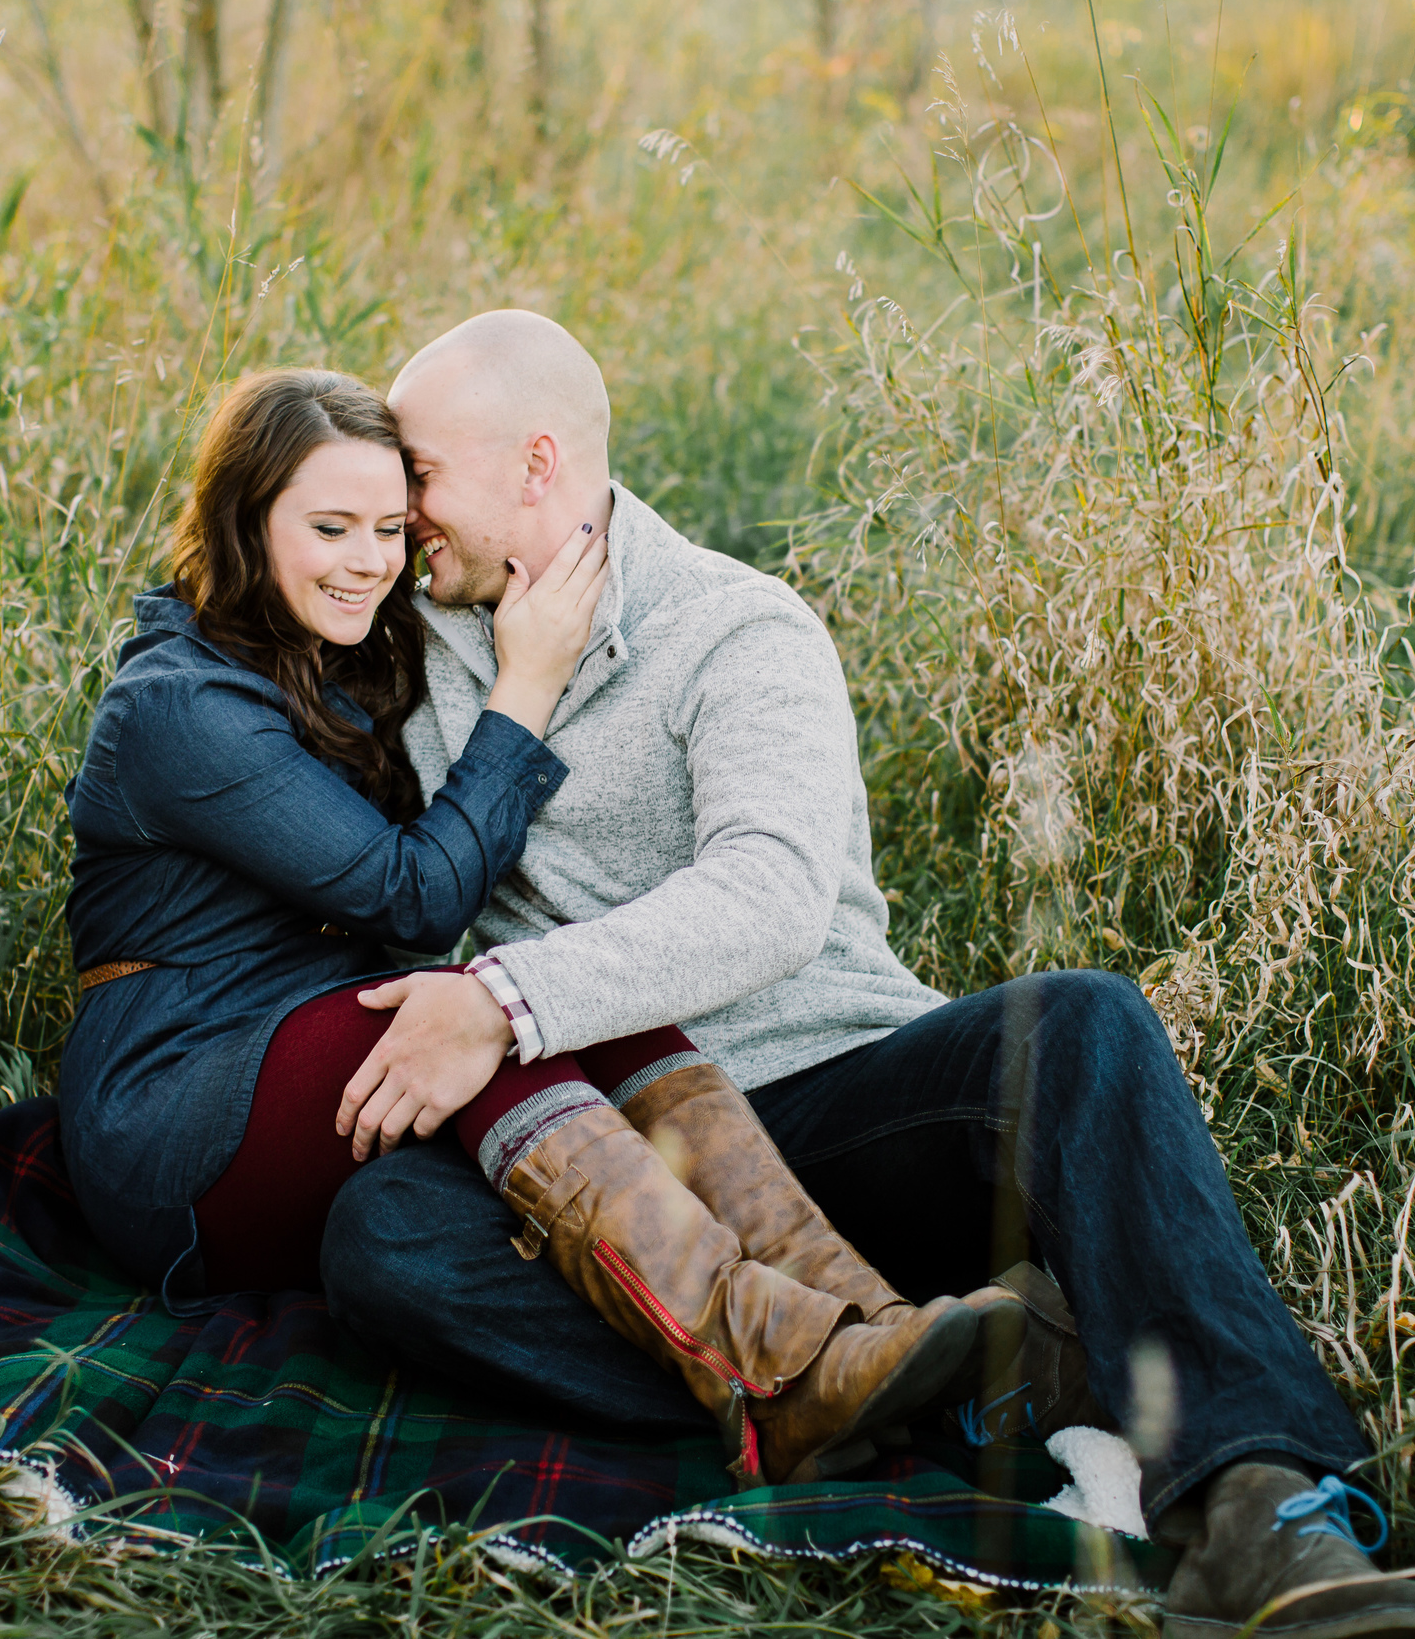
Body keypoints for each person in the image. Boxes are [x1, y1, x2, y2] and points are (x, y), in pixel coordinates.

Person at [313, 314, 1415, 1639]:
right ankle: (926, 1379)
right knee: (383, 1237)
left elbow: (773, 896)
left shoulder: (736, 630)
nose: (393, 509)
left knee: (1081, 1022)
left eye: (417, 469)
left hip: (817, 1104)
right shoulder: (399, 642)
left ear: (535, 465)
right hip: (588, 1163)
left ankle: (1266, 1504)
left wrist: (506, 997)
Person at [57, 366, 984, 1490]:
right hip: (176, 1104)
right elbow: (415, 898)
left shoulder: (327, 658)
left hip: (300, 1065)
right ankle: (768, 1369)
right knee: (471, 1009)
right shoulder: (177, 707)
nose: (369, 559)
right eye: (330, 526)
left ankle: (858, 1324)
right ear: (243, 520)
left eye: (393, 527)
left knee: (556, 994)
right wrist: (530, 682)